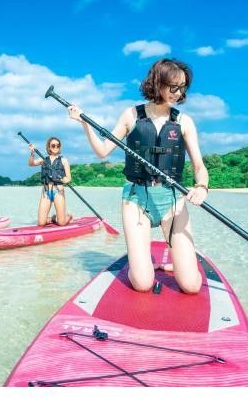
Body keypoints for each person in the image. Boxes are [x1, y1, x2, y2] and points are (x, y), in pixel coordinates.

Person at [67, 58, 210, 294]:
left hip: (172, 201)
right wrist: (84, 123)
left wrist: (202, 186)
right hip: (136, 199)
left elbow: (199, 166)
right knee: (143, 284)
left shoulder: (184, 122)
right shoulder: (131, 115)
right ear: (158, 82)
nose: (178, 92)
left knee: (191, 286)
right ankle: (142, 266)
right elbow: (103, 151)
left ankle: (171, 262)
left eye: (182, 87)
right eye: (173, 86)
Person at [28, 137, 74, 226]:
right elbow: (31, 164)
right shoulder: (43, 160)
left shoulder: (64, 160)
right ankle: (53, 218)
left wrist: (65, 180)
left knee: (62, 223)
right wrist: (32, 153)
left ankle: (69, 216)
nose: (56, 147)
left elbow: (69, 178)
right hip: (46, 192)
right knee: (41, 223)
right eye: (53, 145)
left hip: (58, 192)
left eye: (58, 145)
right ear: (49, 147)